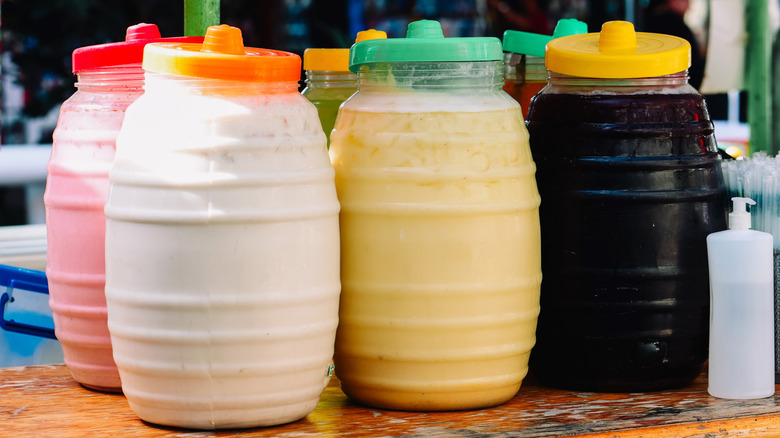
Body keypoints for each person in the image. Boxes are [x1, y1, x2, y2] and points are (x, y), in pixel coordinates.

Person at [644, 0, 705, 89]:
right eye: (686, 1)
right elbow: (693, 67)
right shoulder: (675, 24)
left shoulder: (648, 19)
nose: (689, 7)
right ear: (673, 1)